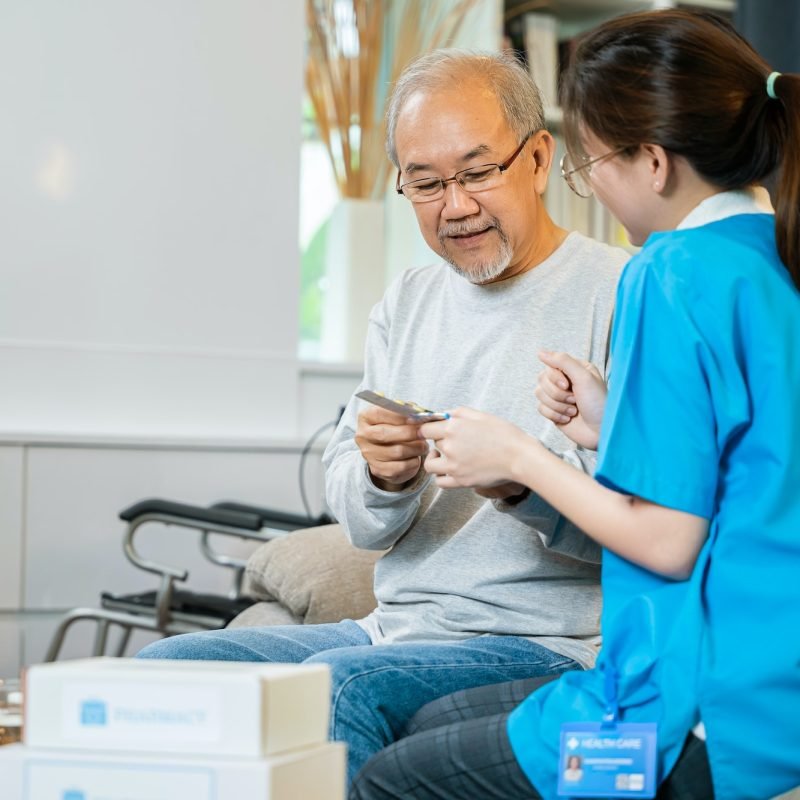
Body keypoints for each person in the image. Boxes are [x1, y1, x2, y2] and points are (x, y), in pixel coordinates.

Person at [137, 50, 627, 782]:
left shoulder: (621, 292)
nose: (454, 206)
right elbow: (362, 524)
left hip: (549, 642)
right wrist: (382, 477)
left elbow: (647, 524)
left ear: (537, 159)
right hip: (391, 630)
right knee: (165, 669)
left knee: (342, 687)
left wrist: (520, 483)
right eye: (425, 184)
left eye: (477, 173)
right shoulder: (408, 302)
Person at [349, 9, 800, 800]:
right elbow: (742, 467)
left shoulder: (668, 271)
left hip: (684, 714)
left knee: (394, 779)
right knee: (432, 725)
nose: (591, 187)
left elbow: (667, 543)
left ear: (651, 162)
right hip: (770, 692)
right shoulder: (769, 258)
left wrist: (520, 458)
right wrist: (606, 425)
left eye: (588, 164)